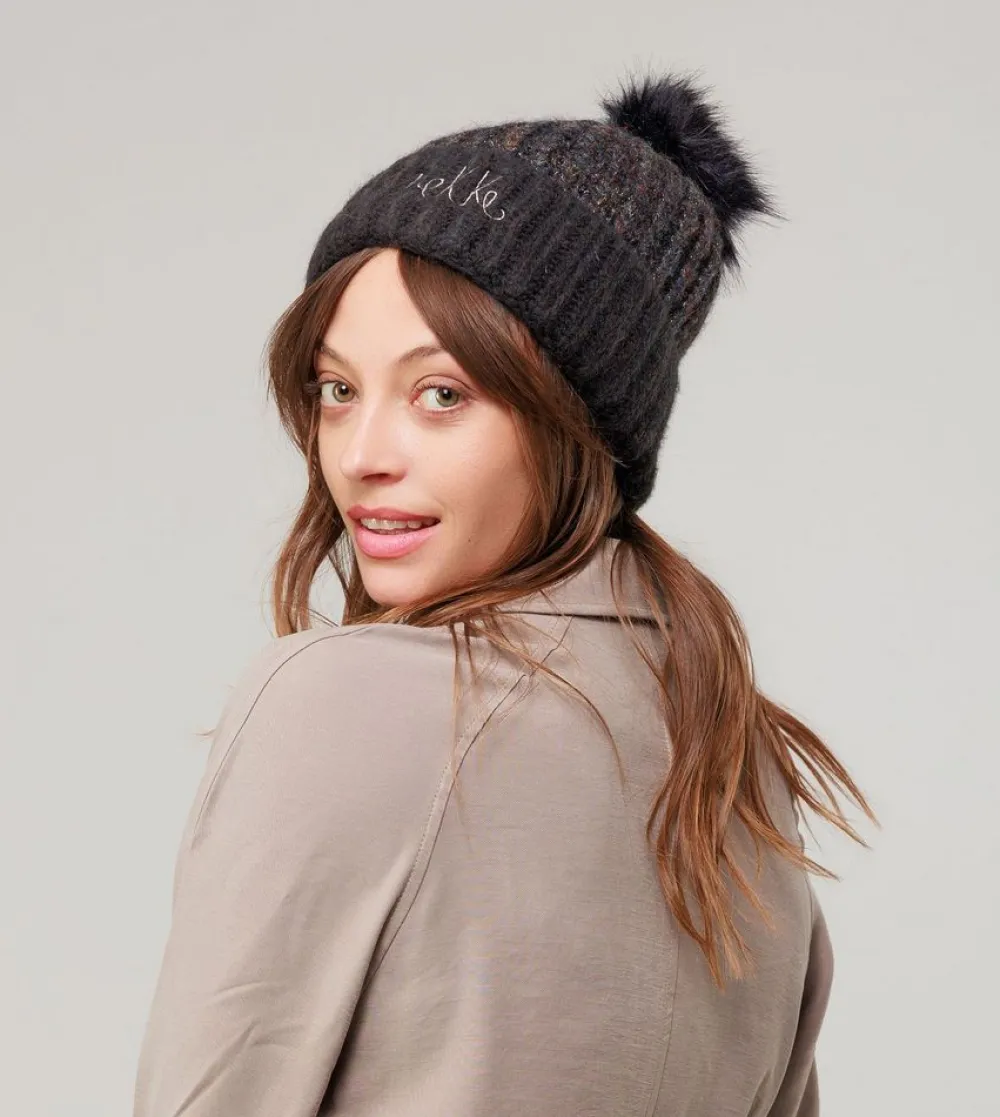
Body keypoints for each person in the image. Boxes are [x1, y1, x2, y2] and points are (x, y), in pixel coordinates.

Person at [133, 68, 877, 1116]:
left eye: (441, 394)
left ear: (576, 419)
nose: (360, 453)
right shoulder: (741, 760)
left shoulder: (340, 703)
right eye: (337, 389)